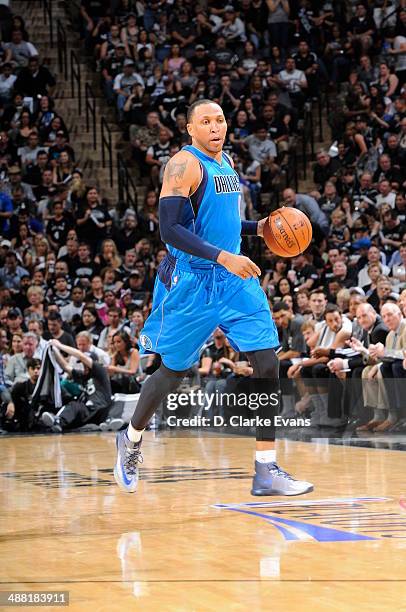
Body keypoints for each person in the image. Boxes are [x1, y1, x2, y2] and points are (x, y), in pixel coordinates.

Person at [114, 99, 313, 497]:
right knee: (173, 371)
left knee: (265, 360)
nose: (215, 126)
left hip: (234, 282)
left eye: (220, 119)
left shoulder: (226, 164)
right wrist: (224, 256)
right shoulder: (183, 164)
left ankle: (265, 468)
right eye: (205, 121)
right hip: (194, 282)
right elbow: (170, 230)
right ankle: (132, 437)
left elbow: (216, 223)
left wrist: (260, 228)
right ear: (190, 129)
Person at [41, 339, 112, 433]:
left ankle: (109, 422)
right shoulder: (83, 376)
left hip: (102, 409)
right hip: (88, 411)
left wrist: (59, 345)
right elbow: (65, 366)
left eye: (85, 364)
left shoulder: (100, 371)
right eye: (82, 365)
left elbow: (81, 356)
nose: (84, 366)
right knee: (75, 406)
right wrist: (54, 350)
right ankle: (58, 423)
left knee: (77, 406)